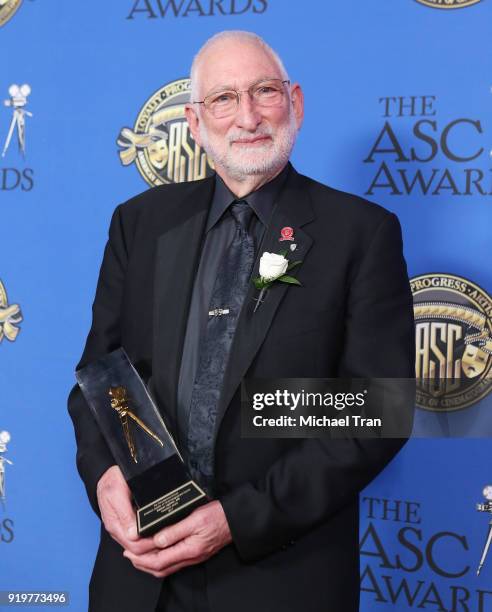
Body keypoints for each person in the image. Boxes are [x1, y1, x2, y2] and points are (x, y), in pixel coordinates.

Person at [68, 30, 415, 612]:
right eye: (224, 98)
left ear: (296, 103)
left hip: (281, 576)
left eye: (264, 92)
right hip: (138, 581)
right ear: (195, 122)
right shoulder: (138, 224)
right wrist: (104, 477)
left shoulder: (362, 234)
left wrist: (236, 519)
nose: (247, 116)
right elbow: (99, 376)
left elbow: (375, 413)